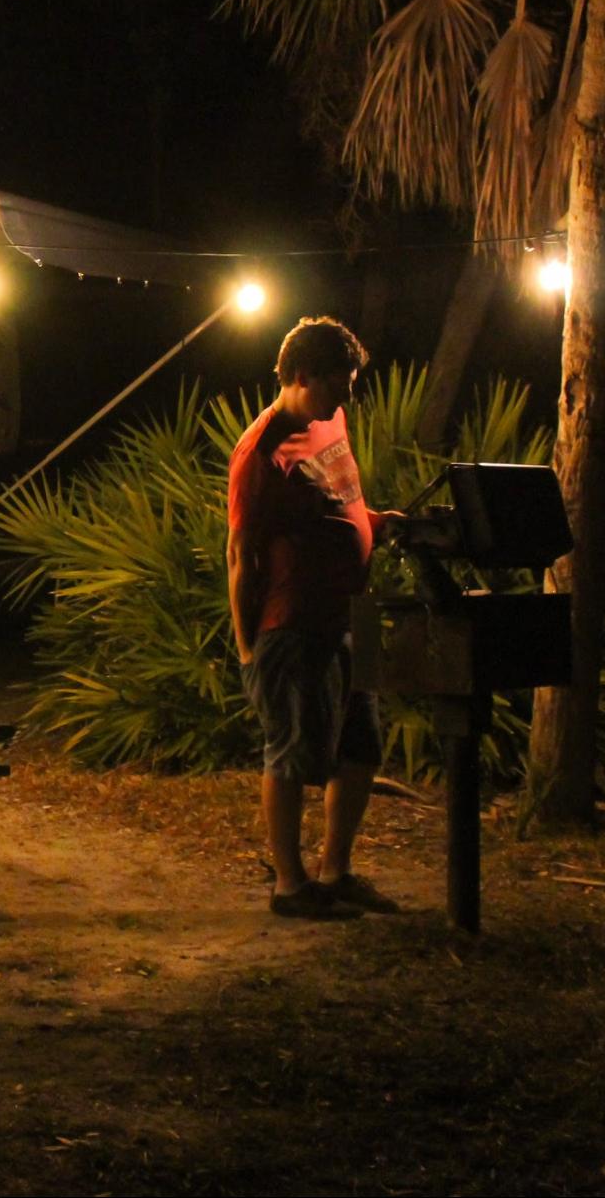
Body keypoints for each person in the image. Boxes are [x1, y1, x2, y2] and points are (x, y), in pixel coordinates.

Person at [227, 316, 402, 919]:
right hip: (293, 623)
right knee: (292, 751)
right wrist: (250, 649)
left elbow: (338, 501)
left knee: (360, 748)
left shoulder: (329, 421)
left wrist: (376, 522)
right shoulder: (261, 452)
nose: (347, 394)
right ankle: (290, 886)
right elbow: (239, 555)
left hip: (344, 617)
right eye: (339, 382)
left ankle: (336, 871)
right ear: (303, 377)